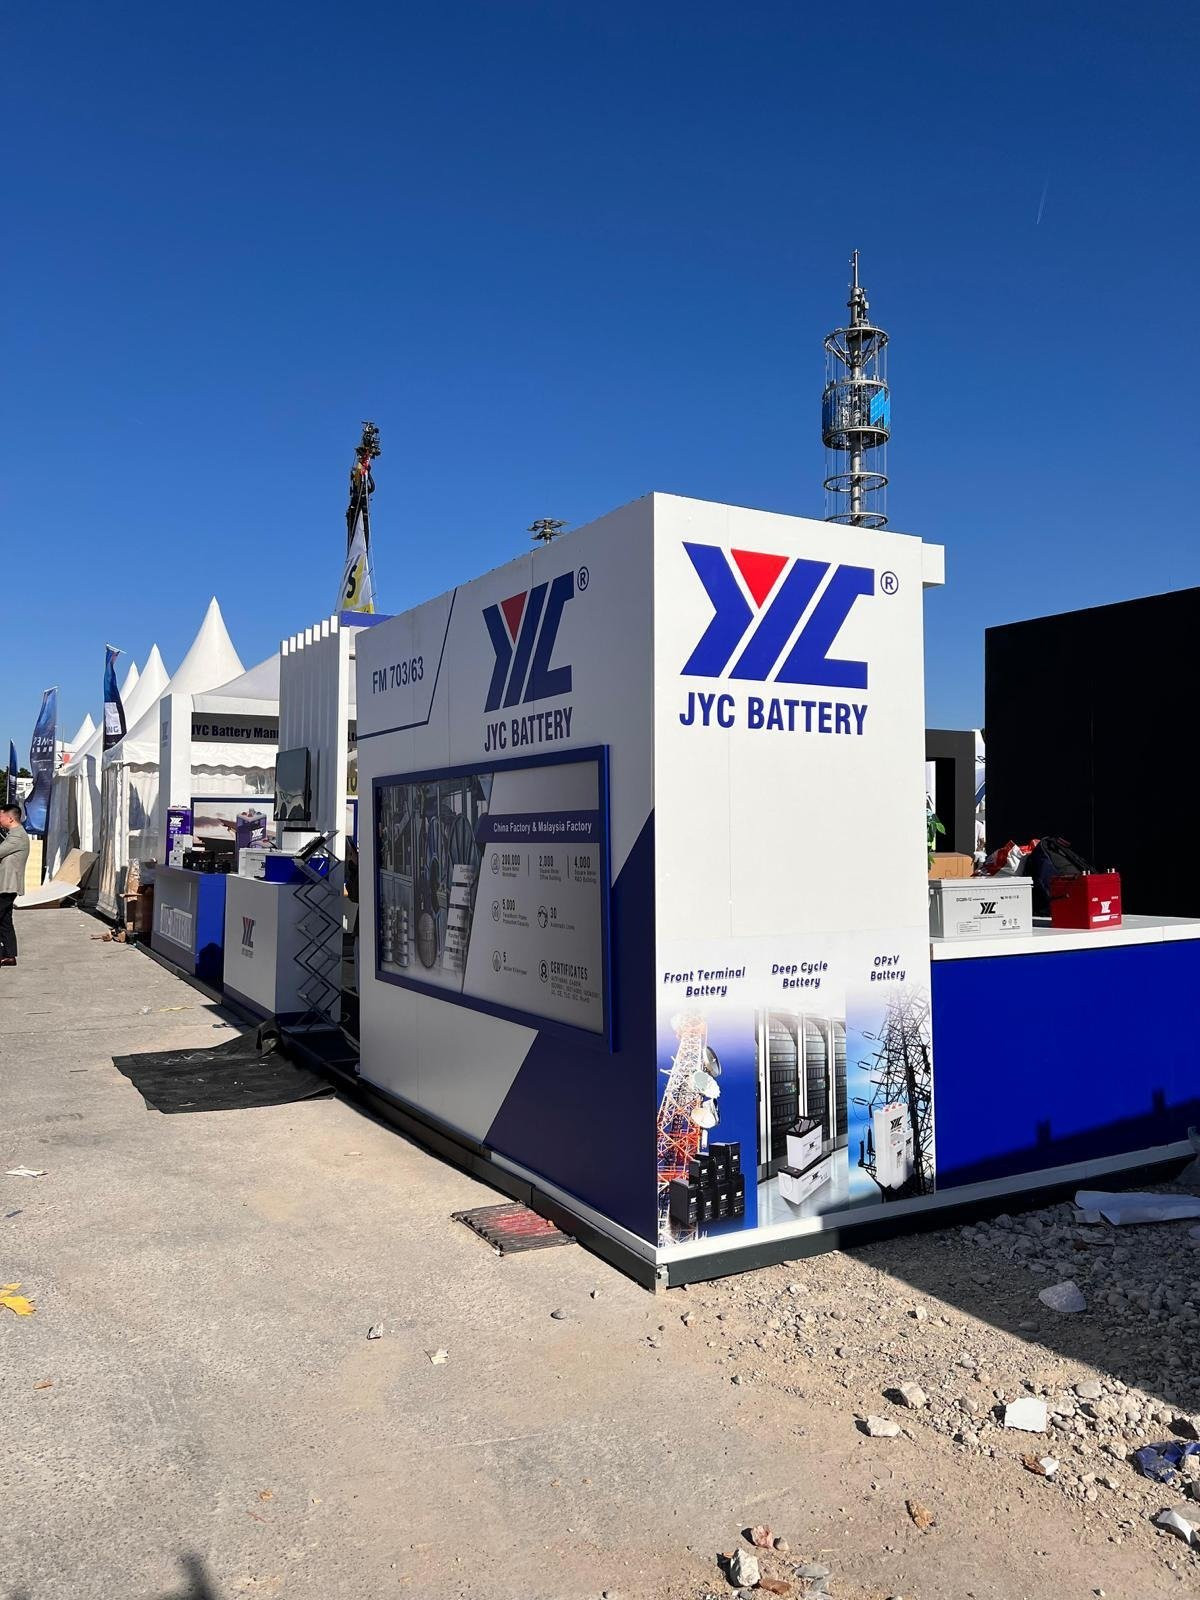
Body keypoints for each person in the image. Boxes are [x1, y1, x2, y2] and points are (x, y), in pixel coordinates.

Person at [0, 802, 30, 966]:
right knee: (5, 921)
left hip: (7, 885)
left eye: (0, 816)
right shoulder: (13, 834)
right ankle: (9, 956)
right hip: (6, 885)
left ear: (10, 818)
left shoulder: (17, 836)